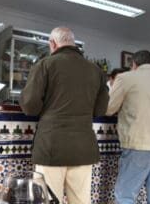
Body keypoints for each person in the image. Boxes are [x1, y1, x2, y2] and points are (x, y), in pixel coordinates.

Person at [19, 26, 109, 203]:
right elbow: (100, 111)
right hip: (84, 147)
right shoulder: (96, 70)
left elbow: (30, 106)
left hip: (51, 146)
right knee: (81, 200)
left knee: (49, 199)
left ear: (53, 43)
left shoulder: (45, 64)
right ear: (73, 43)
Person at [106, 50, 150, 204]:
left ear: (134, 64)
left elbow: (109, 109)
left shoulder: (125, 77)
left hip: (140, 144)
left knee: (125, 196)